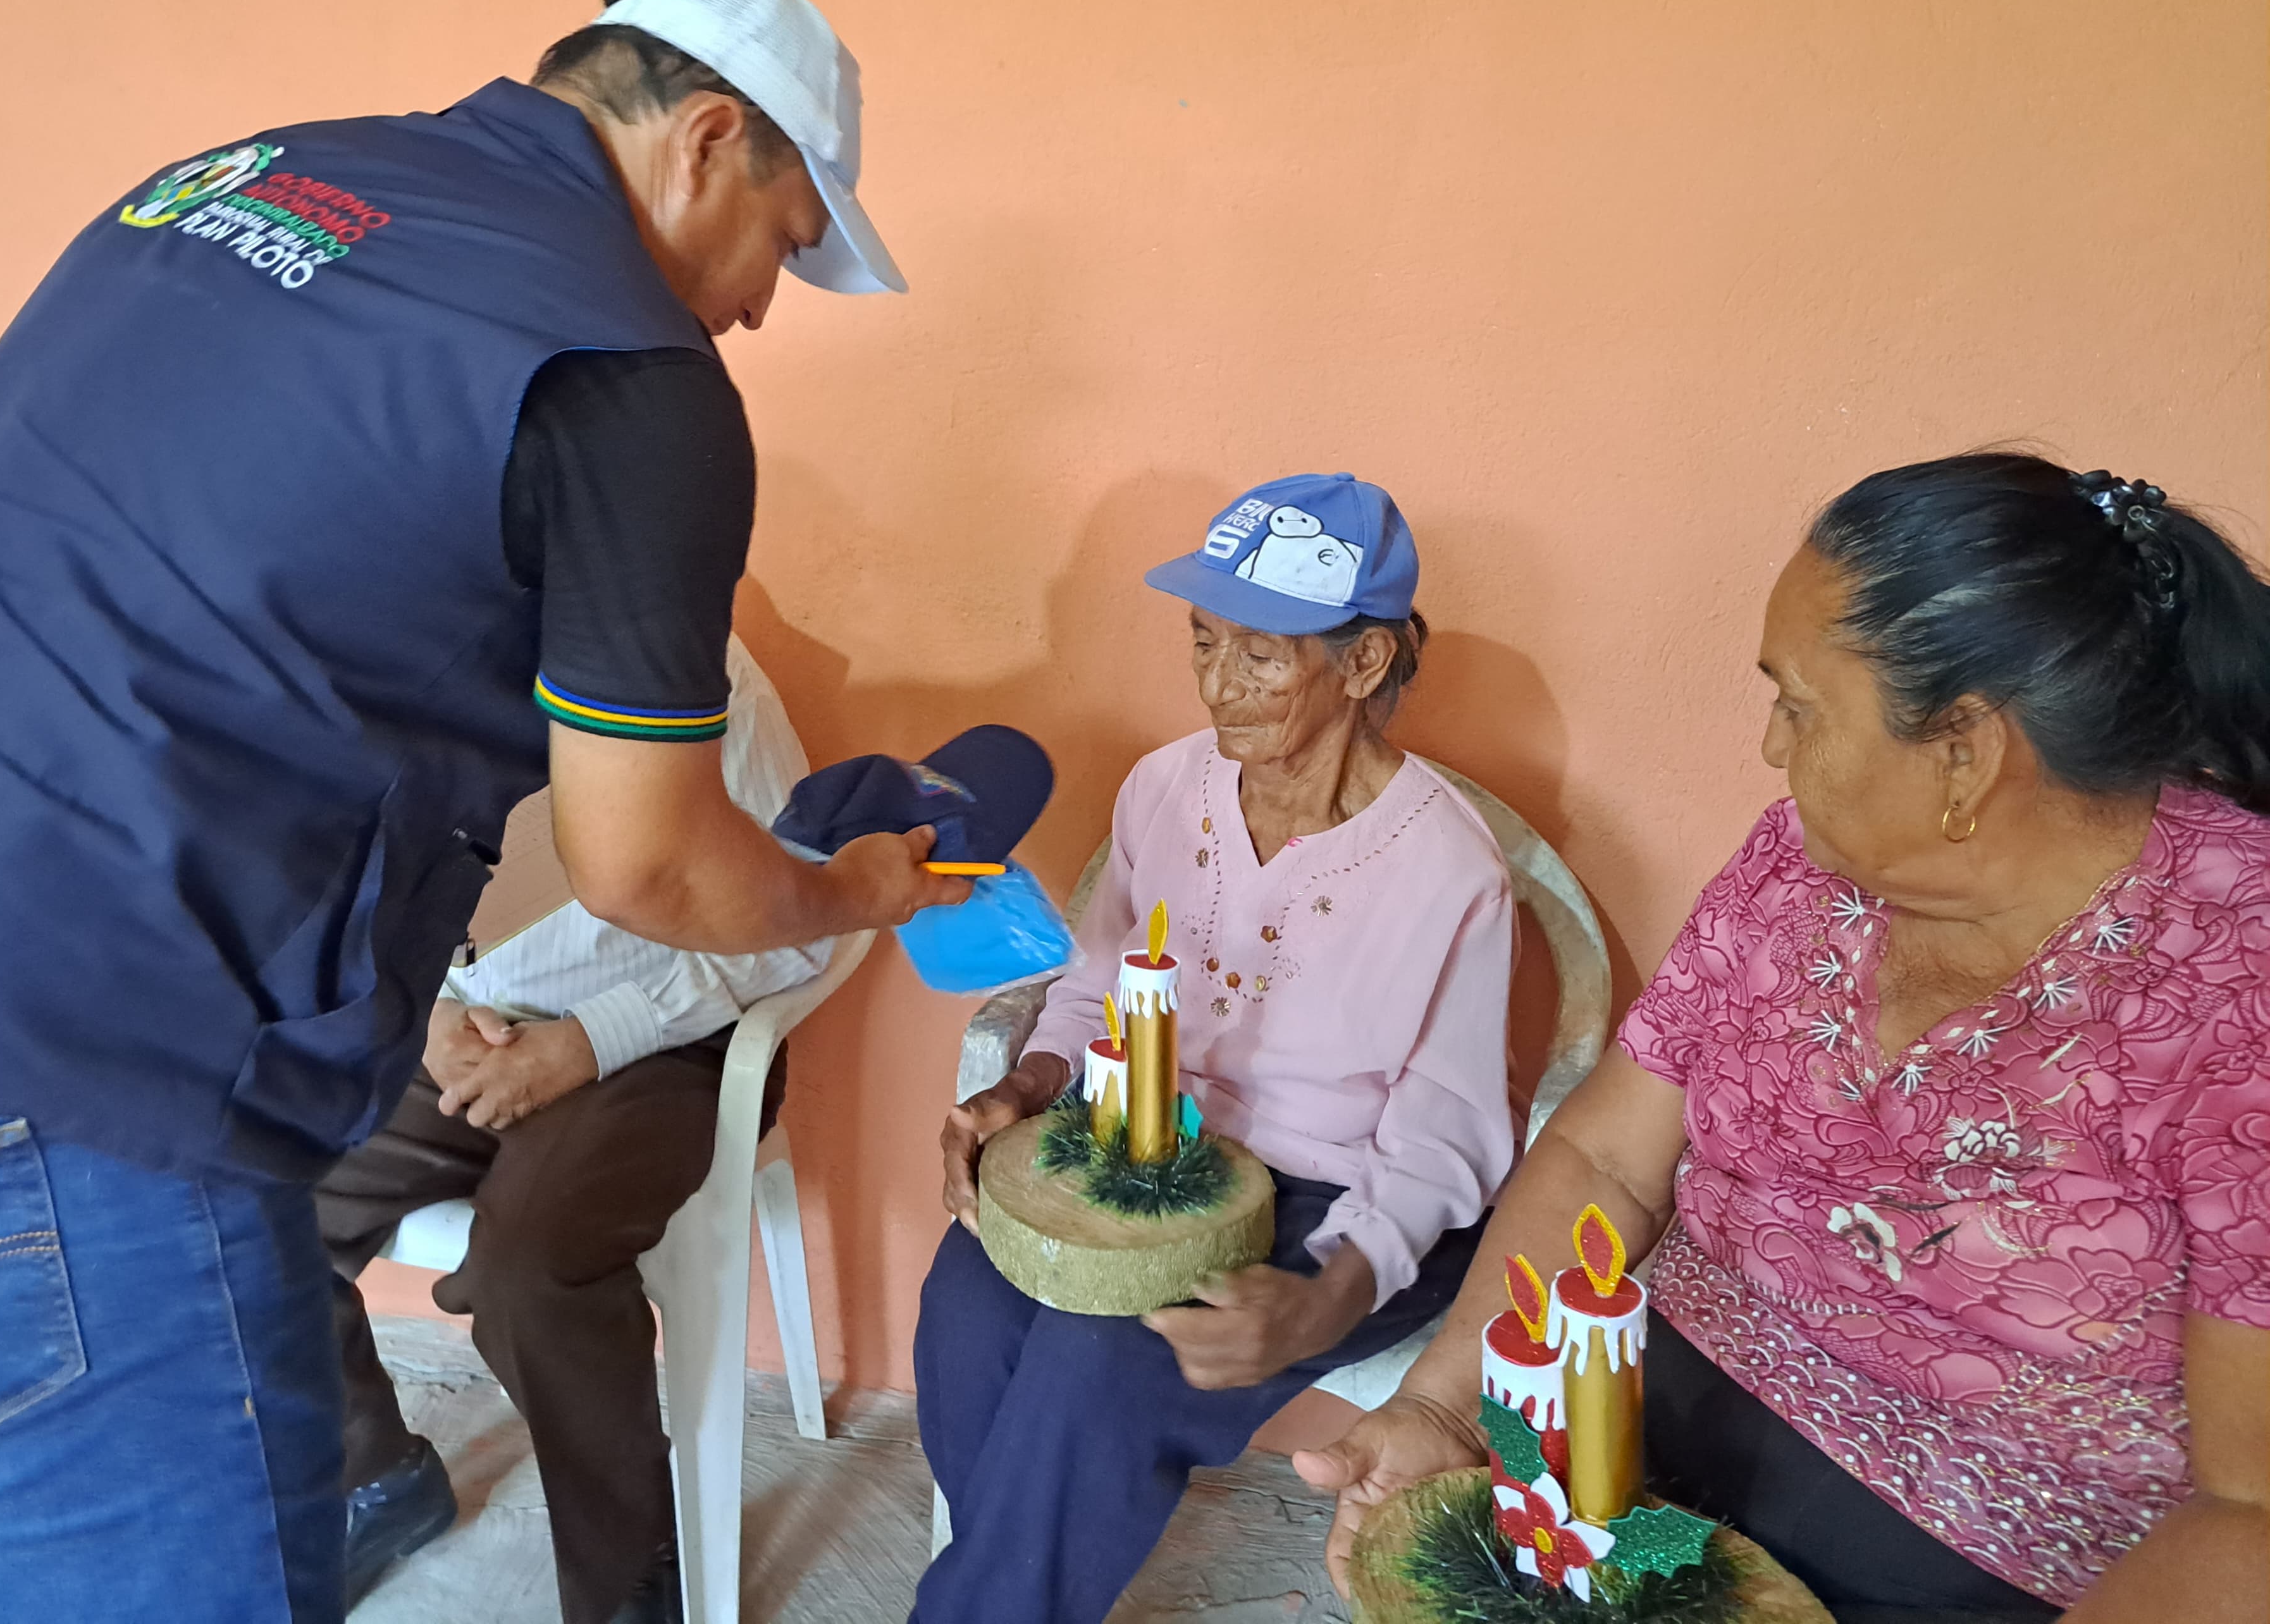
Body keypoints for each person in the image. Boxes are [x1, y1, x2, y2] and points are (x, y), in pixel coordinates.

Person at [0, 0, 967, 1624]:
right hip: (36, 1093)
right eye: (786, 240)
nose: (763, 307)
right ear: (706, 140)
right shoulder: (625, 368)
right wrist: (856, 886)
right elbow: (653, 868)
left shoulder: (236, 181)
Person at [1297, 452, 2270, 1624]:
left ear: (1965, 751)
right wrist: (1449, 1406)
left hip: (1966, 1580)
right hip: (1622, 1467)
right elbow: (1607, 1158)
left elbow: (2250, 1511)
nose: (1771, 745)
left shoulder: (2235, 975)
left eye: (1799, 706)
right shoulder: (1797, 870)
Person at [920, 474, 1517, 1623]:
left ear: (1363, 662)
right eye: (1203, 641)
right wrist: (1028, 1087)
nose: (1217, 683)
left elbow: (1443, 1140)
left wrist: (1329, 1295)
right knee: (971, 1299)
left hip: (1336, 1200)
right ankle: (1007, 1591)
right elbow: (1094, 991)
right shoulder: (1164, 788)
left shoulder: (1448, 867)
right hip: (1141, 1141)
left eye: (1261, 656)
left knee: (1101, 1363)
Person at [322, 634, 829, 1621]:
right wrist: (426, 1013)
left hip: (668, 1042)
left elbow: (794, 928)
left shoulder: (699, 677)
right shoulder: (396, 655)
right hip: (460, 1032)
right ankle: (373, 1479)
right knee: (252, 1195)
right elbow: (362, 891)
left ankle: (631, 1567)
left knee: (532, 1265)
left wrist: (589, 1044)